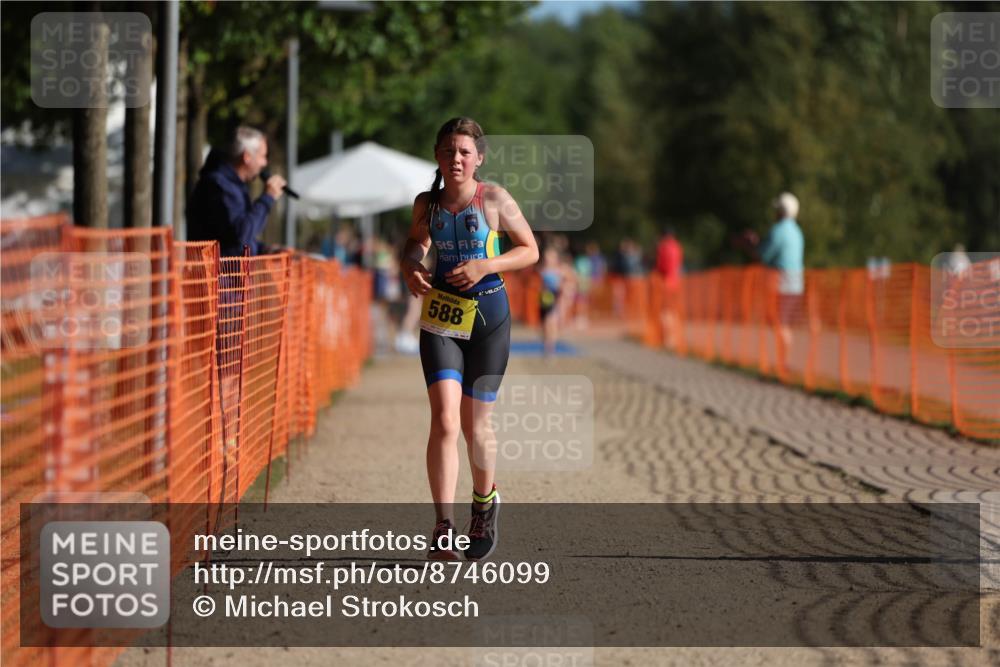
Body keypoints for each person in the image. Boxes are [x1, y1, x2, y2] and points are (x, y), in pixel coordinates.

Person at [400, 117, 539, 561]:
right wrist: (412, 267)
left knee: (475, 424)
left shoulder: (494, 198)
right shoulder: (427, 203)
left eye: (464, 152)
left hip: (489, 320)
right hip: (442, 319)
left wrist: (485, 265)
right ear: (437, 156)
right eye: (447, 151)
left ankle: (483, 504)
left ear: (478, 158)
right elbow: (414, 244)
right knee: (443, 420)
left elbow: (529, 249)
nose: (455, 159)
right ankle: (443, 525)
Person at [187, 125, 287, 256]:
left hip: (227, 273)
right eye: (262, 156)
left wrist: (263, 249)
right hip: (218, 275)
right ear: (247, 157)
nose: (265, 163)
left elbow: (233, 237)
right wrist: (267, 197)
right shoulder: (219, 185)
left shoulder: (232, 184)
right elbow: (240, 233)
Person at [743, 192, 805, 351]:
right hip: (796, 285)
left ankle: (784, 363)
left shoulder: (778, 230)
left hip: (781, 284)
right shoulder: (797, 232)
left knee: (778, 321)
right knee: (783, 322)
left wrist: (751, 245)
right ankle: (784, 361)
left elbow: (761, 255)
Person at [655, 226, 684, 350]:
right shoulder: (677, 246)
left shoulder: (663, 247)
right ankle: (674, 338)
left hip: (665, 283)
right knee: (673, 310)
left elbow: (661, 266)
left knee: (665, 311)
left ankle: (668, 340)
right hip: (676, 282)